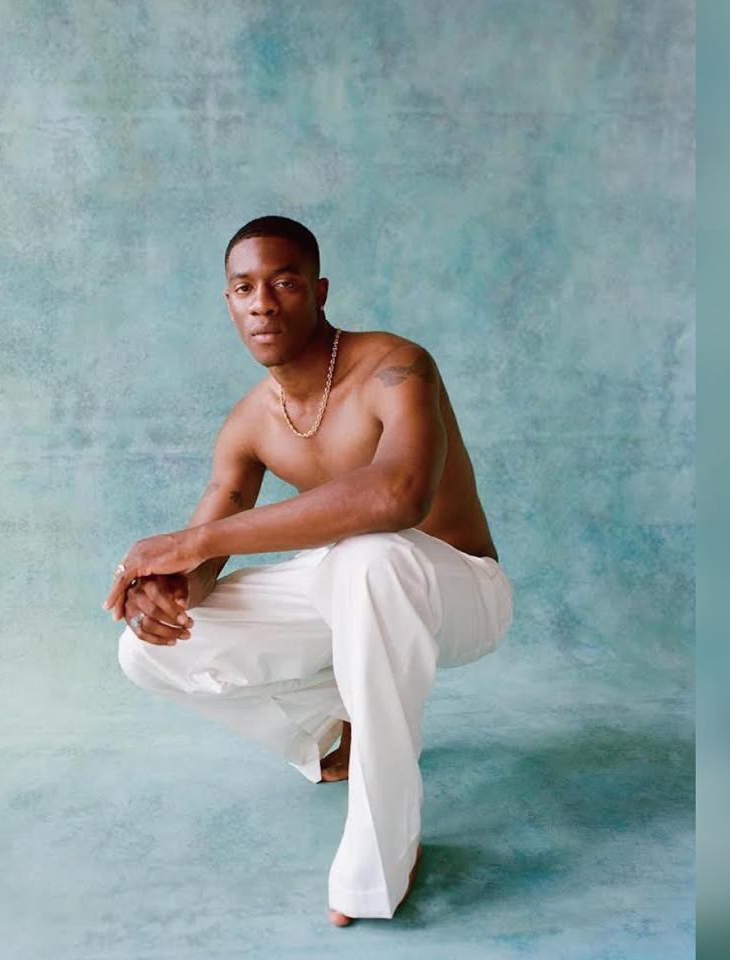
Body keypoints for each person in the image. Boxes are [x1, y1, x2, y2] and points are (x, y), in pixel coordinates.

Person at [103, 215, 513, 926]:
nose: (263, 303)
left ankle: (380, 860)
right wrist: (164, 589)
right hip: (349, 589)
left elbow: (397, 496)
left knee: (370, 553)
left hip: (460, 590)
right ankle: (329, 734)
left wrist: (193, 541)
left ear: (319, 291)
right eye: (244, 288)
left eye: (284, 283)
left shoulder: (396, 366)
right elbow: (205, 558)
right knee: (147, 650)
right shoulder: (249, 422)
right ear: (228, 303)